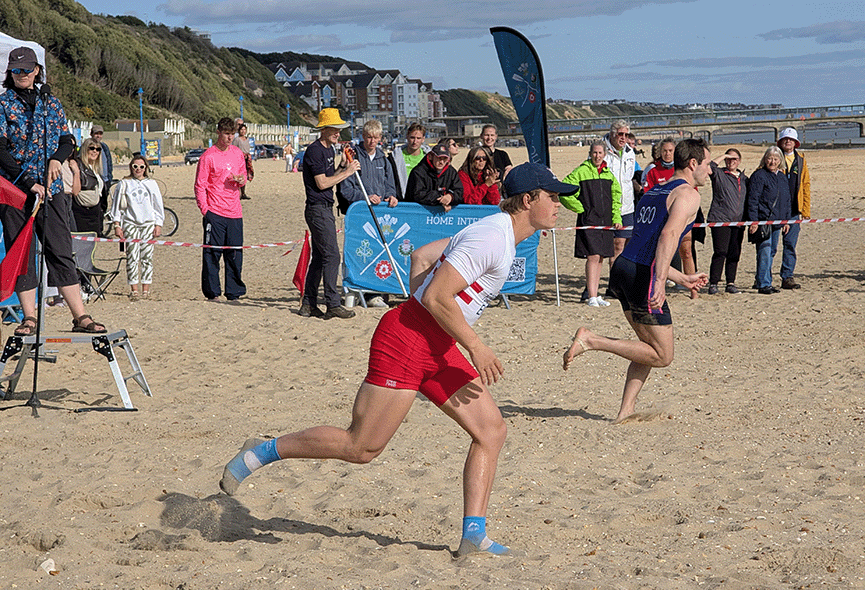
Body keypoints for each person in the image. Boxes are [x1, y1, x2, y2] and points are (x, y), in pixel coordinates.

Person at [219, 162, 579, 556]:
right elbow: (436, 296)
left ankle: (473, 534)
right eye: (553, 197)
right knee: (362, 448)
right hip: (406, 341)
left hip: (437, 344)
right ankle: (263, 449)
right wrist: (474, 344)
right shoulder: (492, 237)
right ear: (528, 200)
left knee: (491, 431)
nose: (559, 205)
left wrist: (434, 318)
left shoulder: (497, 233)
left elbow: (423, 257)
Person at [563, 138, 710, 424]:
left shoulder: (656, 190)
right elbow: (667, 238)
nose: (710, 171)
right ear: (693, 164)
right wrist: (658, 283)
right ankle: (592, 340)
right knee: (663, 355)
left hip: (625, 269)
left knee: (647, 347)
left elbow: (648, 244)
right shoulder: (688, 195)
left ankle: (626, 410)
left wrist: (682, 278)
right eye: (707, 164)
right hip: (643, 275)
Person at [0, 46, 106, 335]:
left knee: (60, 249)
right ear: (10, 72)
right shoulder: (3, 104)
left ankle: (80, 315)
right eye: (16, 70)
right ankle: (29, 317)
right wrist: (26, 182)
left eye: (26, 69)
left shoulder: (51, 103)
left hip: (51, 188)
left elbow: (67, 140)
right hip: (16, 190)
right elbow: (0, 150)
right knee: (21, 251)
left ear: (37, 70)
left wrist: (57, 160)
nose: (21, 74)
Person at [300, 108, 360, 319]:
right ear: (324, 129)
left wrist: (341, 167)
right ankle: (332, 304)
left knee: (320, 257)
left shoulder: (328, 150)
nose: (338, 133)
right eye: (335, 129)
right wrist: (347, 172)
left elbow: (328, 179)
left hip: (324, 207)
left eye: (339, 129)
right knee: (332, 255)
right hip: (317, 209)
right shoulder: (316, 150)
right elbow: (321, 183)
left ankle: (308, 303)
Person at [338, 119, 398, 308]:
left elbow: (390, 185)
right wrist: (365, 198)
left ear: (381, 138)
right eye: (369, 137)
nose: (372, 141)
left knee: (380, 252)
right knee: (361, 253)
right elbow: (346, 189)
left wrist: (391, 196)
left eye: (376, 137)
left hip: (381, 215)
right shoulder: (354, 157)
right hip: (360, 214)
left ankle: (377, 291)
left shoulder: (384, 159)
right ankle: (359, 290)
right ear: (363, 137)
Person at [561, 140, 623, 307]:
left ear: (605, 155)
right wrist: (581, 208)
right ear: (590, 153)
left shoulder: (608, 174)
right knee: (593, 256)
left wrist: (617, 218)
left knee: (601, 257)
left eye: (600, 153)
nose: (597, 156)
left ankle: (596, 295)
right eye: (594, 153)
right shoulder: (581, 171)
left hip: (606, 222)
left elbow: (616, 198)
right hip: (589, 221)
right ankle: (591, 296)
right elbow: (564, 192)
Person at [194, 117, 247, 301]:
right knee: (212, 253)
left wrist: (241, 180)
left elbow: (244, 176)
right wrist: (205, 210)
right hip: (214, 211)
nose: (230, 138)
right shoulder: (208, 156)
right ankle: (212, 293)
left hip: (234, 211)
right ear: (218, 133)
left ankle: (234, 292)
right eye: (226, 134)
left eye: (232, 134)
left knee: (234, 254)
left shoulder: (238, 154)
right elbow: (200, 185)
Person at [110, 155, 164, 300]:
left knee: (147, 257)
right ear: (131, 167)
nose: (138, 169)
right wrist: (117, 225)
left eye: (141, 167)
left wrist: (158, 224)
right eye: (135, 166)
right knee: (132, 257)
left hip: (148, 223)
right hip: (130, 223)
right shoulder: (124, 184)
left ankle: (146, 288)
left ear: (146, 168)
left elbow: (158, 206)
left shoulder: (152, 184)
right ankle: (134, 288)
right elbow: (116, 207)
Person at [747, 146, 792, 295]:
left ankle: (764, 280)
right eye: (769, 158)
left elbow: (786, 200)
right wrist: (753, 221)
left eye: (775, 159)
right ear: (765, 159)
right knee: (764, 251)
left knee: (772, 251)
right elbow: (753, 200)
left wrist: (786, 221)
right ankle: (764, 283)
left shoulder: (782, 176)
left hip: (778, 221)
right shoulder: (759, 175)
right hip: (763, 221)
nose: (772, 162)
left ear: (780, 161)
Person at [706, 149, 748, 294]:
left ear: (739, 161)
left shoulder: (744, 179)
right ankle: (714, 283)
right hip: (720, 219)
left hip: (739, 221)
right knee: (720, 251)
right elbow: (708, 168)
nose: (731, 162)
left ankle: (730, 282)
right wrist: (723, 155)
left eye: (734, 159)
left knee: (734, 252)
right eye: (729, 159)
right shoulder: (719, 174)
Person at [776, 127, 810, 290]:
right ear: (780, 142)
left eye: (791, 139)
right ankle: (763, 278)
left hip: (794, 210)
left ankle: (787, 277)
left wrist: (806, 210)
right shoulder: (773, 158)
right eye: (785, 139)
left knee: (790, 244)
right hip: (775, 210)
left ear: (795, 143)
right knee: (770, 246)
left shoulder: (801, 160)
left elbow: (805, 184)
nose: (788, 142)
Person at [602, 120, 637, 276]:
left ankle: (625, 280)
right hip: (609, 206)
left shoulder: (630, 152)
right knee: (617, 246)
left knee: (629, 245)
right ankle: (615, 283)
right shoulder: (602, 150)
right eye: (620, 134)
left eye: (626, 134)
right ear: (613, 134)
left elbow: (629, 178)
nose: (623, 138)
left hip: (628, 205)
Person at [404, 143, 463, 212]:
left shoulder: (451, 172)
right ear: (431, 156)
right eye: (439, 158)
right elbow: (417, 194)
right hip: (418, 212)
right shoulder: (418, 172)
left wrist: (450, 197)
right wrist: (440, 198)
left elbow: (459, 191)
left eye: (444, 159)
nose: (441, 162)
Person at [72, 137, 105, 234]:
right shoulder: (77, 164)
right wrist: (76, 172)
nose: (95, 151)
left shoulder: (96, 169)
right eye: (92, 148)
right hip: (82, 211)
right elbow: (75, 191)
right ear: (85, 149)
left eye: (98, 149)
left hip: (95, 212)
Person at [389, 122, 429, 198]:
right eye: (412, 137)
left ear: (423, 139)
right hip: (402, 199)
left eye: (418, 138)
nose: (415, 141)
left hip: (423, 199)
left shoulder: (428, 157)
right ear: (407, 137)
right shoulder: (395, 157)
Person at [89, 124, 112, 210]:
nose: (98, 136)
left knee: (103, 206)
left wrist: (109, 178)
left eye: (100, 134)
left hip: (105, 180)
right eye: (96, 133)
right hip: (93, 182)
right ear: (91, 134)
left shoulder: (104, 147)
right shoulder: (86, 147)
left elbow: (109, 163)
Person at [232, 123, 253, 200]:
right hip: (239, 159)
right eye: (242, 129)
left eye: (244, 129)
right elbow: (233, 149)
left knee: (245, 175)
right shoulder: (237, 139)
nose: (243, 131)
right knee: (239, 175)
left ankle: (243, 193)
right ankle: (239, 193)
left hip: (247, 159)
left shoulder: (247, 139)